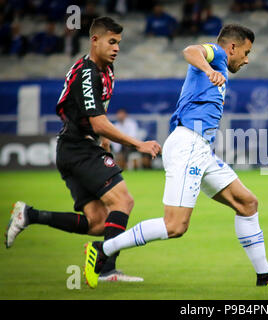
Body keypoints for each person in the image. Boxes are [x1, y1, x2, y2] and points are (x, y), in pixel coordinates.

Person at [83, 24, 268, 289]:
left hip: (201, 149)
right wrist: (210, 70)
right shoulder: (218, 55)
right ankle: (103, 248)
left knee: (247, 203)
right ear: (232, 47)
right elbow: (190, 50)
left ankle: (265, 276)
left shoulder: (221, 66)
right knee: (175, 226)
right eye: (246, 52)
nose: (246, 59)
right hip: (188, 144)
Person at [5, 17, 161, 283]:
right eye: (111, 42)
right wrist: (138, 143)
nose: (116, 48)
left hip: (74, 148)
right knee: (123, 201)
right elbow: (98, 122)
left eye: (119, 43)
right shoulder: (87, 73)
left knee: (98, 223)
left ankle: (29, 215)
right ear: (95, 40)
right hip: (78, 149)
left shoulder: (106, 70)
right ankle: (107, 270)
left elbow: (99, 114)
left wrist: (105, 141)